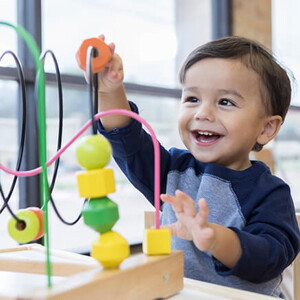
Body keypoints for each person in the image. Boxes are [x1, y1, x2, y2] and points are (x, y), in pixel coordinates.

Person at [91, 35, 300, 297]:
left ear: (266, 128)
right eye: (192, 99)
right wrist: (109, 90)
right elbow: (126, 138)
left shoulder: (270, 192)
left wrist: (213, 237)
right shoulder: (172, 170)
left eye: (225, 102)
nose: (202, 113)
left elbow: (270, 257)